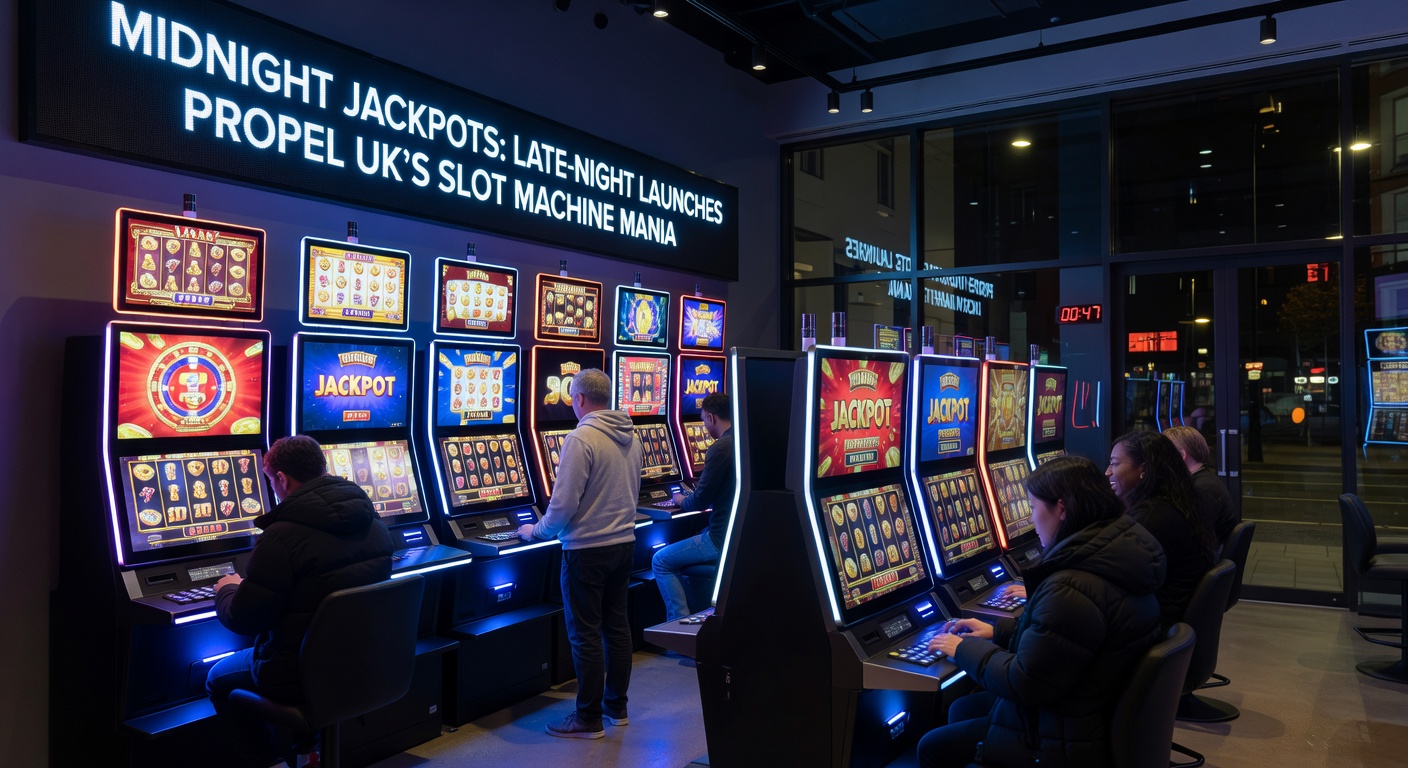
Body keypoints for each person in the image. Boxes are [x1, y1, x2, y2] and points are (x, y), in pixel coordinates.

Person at [916, 455, 1165, 768]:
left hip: (1061, 740)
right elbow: (1061, 642)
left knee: (932, 746)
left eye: (1033, 507)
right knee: (963, 709)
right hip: (1086, 712)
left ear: (1061, 509)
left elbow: (1024, 681)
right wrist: (998, 631)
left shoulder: (1071, 587)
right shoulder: (1117, 554)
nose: (1031, 520)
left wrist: (964, 648)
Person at [206, 435, 394, 767]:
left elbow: (243, 619)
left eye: (270, 481)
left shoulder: (281, 537)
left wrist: (227, 588)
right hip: (366, 661)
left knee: (217, 678)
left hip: (298, 674)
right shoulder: (371, 518)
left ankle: (271, 762)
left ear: (281, 478)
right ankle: (309, 752)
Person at [518, 368, 642, 740]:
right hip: (624, 544)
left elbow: (564, 503)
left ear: (582, 399)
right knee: (616, 628)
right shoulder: (631, 435)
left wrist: (535, 531)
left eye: (572, 398)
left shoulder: (581, 437)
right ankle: (615, 708)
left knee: (585, 634)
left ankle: (587, 718)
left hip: (587, 549)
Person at [1107, 429, 1217, 627]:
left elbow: (1116, 578)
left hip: (1157, 623)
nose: (1107, 471)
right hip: (1173, 613)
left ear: (1144, 470)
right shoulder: (1176, 501)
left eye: (1115, 463)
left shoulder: (1151, 519)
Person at [652, 392, 735, 621]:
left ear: (710, 417)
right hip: (738, 538)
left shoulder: (720, 449)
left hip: (719, 540)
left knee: (660, 560)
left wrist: (679, 500)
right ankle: (697, 621)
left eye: (702, 419)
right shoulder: (744, 441)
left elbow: (697, 501)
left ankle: (678, 627)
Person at [1164, 424, 1239, 555]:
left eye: (1163, 453)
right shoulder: (1204, 480)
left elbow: (1191, 541)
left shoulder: (1200, 490)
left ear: (1181, 455)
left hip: (1204, 562)